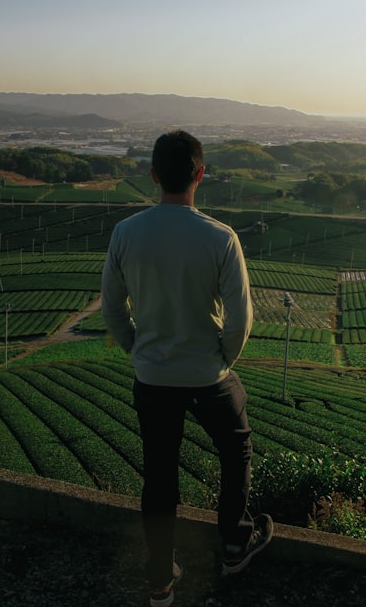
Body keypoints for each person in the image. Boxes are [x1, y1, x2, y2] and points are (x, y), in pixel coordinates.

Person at [101, 130, 272, 606]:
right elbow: (240, 319)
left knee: (159, 474)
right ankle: (236, 545)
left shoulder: (126, 233)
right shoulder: (221, 237)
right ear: (200, 174)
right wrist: (222, 361)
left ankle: (160, 577)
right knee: (235, 448)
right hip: (207, 375)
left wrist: (137, 350)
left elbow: (112, 309)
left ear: (154, 176)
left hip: (152, 376)